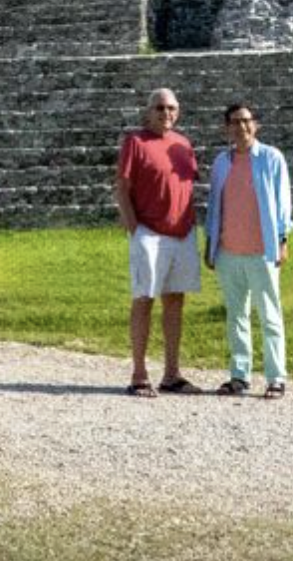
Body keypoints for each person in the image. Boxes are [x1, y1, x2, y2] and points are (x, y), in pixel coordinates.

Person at [116, 87, 201, 397]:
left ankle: (172, 373)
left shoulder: (183, 144)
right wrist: (134, 229)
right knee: (144, 299)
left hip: (182, 231)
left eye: (172, 108)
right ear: (148, 111)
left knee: (175, 301)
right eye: (160, 108)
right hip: (149, 232)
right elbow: (122, 188)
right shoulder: (135, 142)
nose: (167, 113)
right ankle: (139, 373)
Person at [204, 102, 292, 398]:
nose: (241, 127)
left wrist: (282, 240)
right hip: (229, 251)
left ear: (255, 125)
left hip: (262, 250)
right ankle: (239, 375)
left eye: (246, 121)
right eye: (234, 122)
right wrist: (210, 245)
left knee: (270, 315)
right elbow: (215, 206)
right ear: (226, 128)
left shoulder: (271, 158)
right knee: (236, 315)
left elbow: (282, 203)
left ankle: (276, 377)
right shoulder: (221, 163)